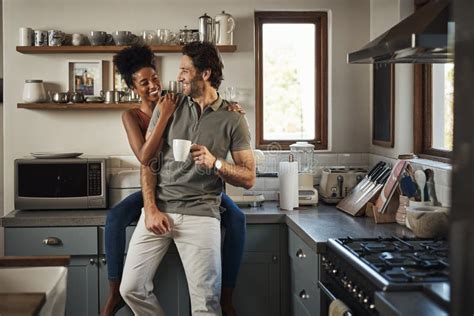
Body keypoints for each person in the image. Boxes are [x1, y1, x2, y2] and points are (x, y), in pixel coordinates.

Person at [101, 45, 247, 316]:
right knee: (117, 222)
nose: (153, 85)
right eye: (144, 82)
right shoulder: (151, 110)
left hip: (201, 201)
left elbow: (247, 175)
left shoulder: (180, 102)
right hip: (159, 191)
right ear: (135, 88)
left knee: (236, 220)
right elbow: (147, 158)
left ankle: (227, 296)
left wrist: (227, 113)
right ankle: (113, 292)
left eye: (154, 78)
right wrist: (152, 208)